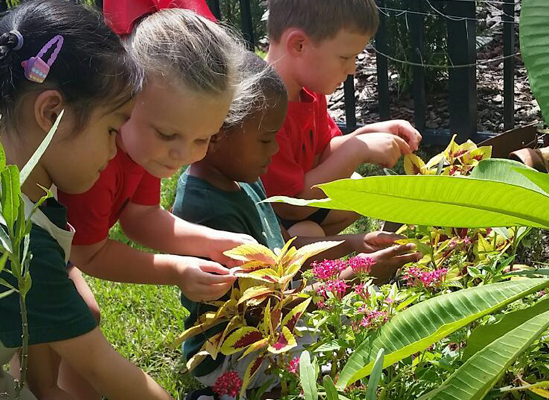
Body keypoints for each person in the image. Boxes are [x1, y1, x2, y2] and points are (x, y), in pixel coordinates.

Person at [173, 53, 419, 399]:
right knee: (333, 357)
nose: (275, 150)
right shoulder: (209, 211)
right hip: (231, 353)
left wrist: (353, 244)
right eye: (265, 139)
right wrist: (359, 272)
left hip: (273, 320)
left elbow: (285, 245)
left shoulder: (240, 178)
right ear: (215, 134)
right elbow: (268, 310)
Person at [0, 1, 173, 399]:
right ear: (50, 112)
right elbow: (101, 365)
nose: (114, 153)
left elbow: (37, 306)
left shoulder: (1, 170)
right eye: (112, 130)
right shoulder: (9, 236)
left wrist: (46, 389)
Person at [56, 6, 257, 399]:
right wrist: (176, 271)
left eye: (203, 139)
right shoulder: (98, 159)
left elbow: (141, 218)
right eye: (168, 134)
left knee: (75, 329)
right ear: (125, 98)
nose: (182, 154)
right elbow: (88, 253)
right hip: (8, 239)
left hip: (54, 242)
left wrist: (215, 242)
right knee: (70, 325)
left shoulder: (143, 147)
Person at [261, 0, 422, 238]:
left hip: (303, 198)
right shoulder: (264, 108)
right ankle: (299, 249)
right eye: (345, 57)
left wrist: (369, 134)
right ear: (299, 45)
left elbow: (324, 151)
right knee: (309, 231)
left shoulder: (308, 89)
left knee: (360, 191)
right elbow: (291, 206)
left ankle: (309, 243)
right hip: (271, 216)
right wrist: (357, 150)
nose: (352, 69)